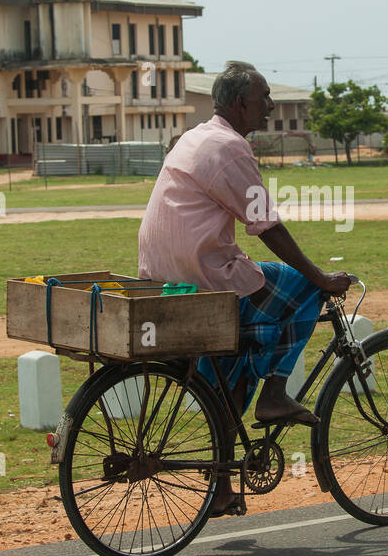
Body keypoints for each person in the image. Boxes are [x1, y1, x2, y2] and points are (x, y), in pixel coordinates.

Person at [138, 61, 351, 516]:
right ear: (240, 104)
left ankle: (220, 490)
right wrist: (321, 277)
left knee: (235, 373)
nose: (271, 107)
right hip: (207, 277)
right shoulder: (231, 150)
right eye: (265, 99)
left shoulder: (196, 136)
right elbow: (268, 226)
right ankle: (275, 394)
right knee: (303, 291)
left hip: (163, 275)